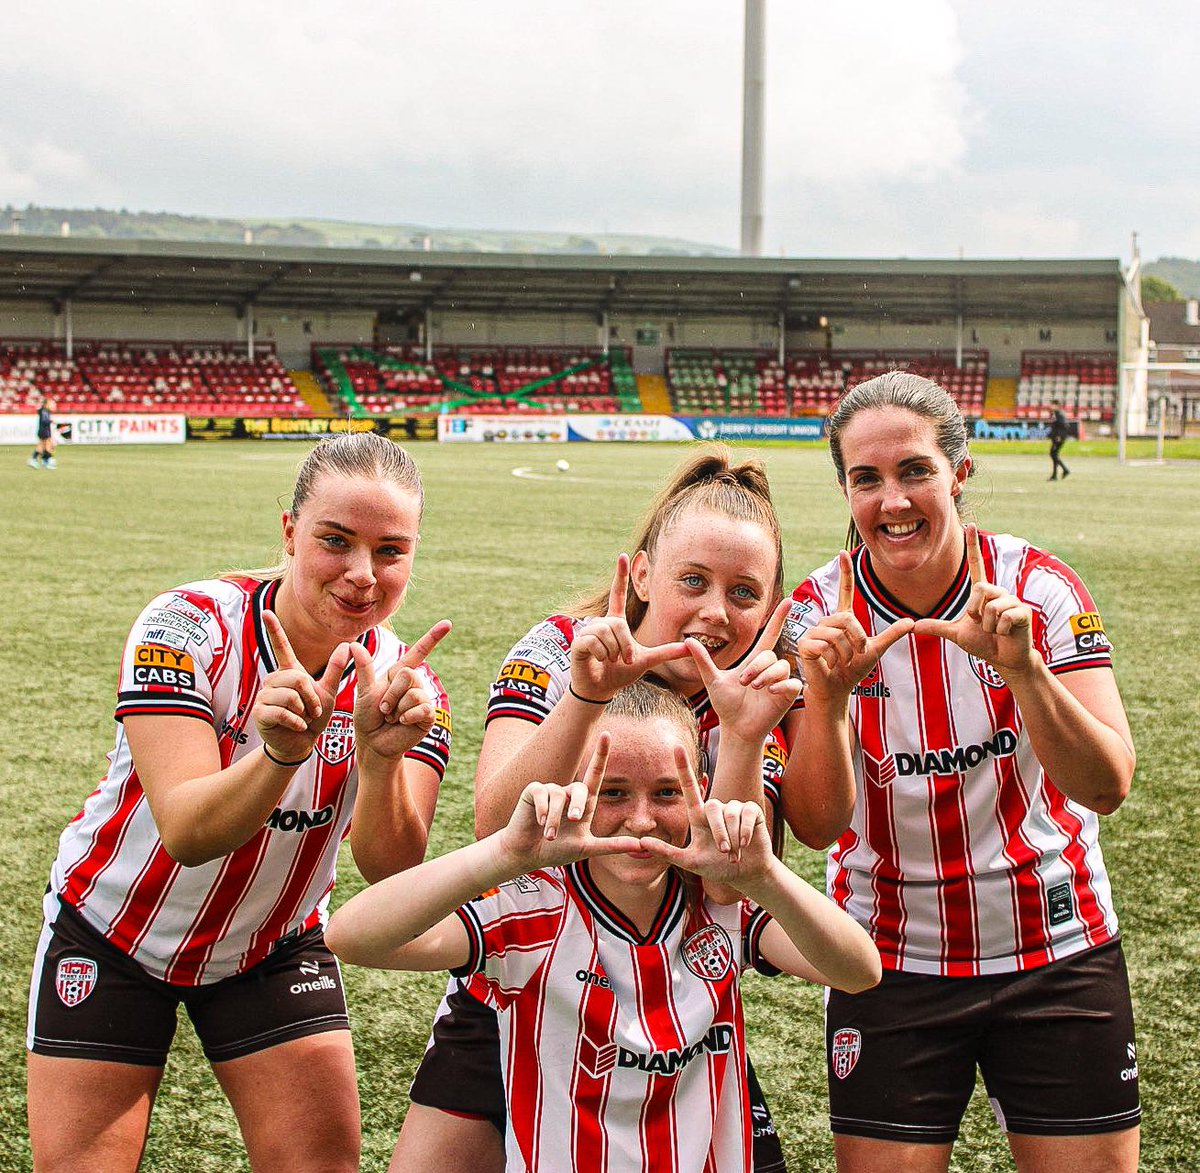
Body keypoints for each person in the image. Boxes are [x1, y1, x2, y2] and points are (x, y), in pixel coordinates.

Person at [26, 432, 453, 1173]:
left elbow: (391, 866)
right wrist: (280, 754)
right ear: (289, 532)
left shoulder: (406, 683)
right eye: (335, 540)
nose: (362, 573)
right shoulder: (187, 625)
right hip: (112, 934)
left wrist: (381, 763)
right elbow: (189, 830)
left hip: (271, 945)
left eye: (390, 550)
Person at [397, 448, 806, 1173]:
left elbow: (728, 882)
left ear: (773, 605)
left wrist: (745, 734)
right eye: (693, 580)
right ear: (643, 573)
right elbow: (496, 823)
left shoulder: (756, 693)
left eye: (744, 592)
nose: (715, 611)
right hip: (522, 985)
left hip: (676, 1001)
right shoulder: (562, 650)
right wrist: (586, 699)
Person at [781, 371, 1140, 1173]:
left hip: (1057, 949)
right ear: (845, 488)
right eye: (866, 479)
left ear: (960, 472)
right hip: (889, 962)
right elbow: (816, 825)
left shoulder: (1038, 588)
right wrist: (829, 701)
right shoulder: (815, 614)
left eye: (914, 470)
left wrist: (1026, 673)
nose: (893, 501)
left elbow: (1108, 783)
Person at [326, 680, 881, 1173]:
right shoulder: (531, 909)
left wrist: (764, 877)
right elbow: (352, 936)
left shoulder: (719, 901)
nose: (641, 820)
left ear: (701, 789)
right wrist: (502, 855)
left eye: (666, 792)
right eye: (612, 791)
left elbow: (859, 971)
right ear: (573, 788)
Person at [29, 396, 57, 469]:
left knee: (42, 446)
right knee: (48, 446)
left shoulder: (44, 411)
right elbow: (44, 421)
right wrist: (51, 421)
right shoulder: (44, 411)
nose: (53, 406)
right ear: (46, 404)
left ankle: (40, 460)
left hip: (43, 431)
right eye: (52, 404)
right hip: (44, 431)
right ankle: (47, 461)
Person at [1048, 399, 1071, 480]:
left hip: (1058, 438)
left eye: (1052, 404)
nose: (1050, 406)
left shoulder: (1059, 414)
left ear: (1056, 405)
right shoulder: (1056, 414)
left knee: (1053, 454)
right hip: (1056, 437)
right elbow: (1056, 426)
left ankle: (1064, 470)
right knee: (1054, 455)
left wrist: (1059, 436)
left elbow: (1064, 426)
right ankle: (1056, 474)